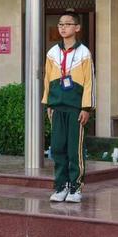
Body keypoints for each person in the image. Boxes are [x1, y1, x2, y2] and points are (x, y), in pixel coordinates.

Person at [42, 11, 95, 203]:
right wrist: (48, 103)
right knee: (57, 148)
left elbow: (89, 82)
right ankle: (61, 185)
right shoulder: (52, 53)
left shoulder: (84, 53)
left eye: (68, 24)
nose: (63, 27)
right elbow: (47, 80)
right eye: (60, 24)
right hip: (57, 107)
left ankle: (75, 187)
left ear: (77, 28)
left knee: (74, 149)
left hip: (75, 108)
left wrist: (86, 108)